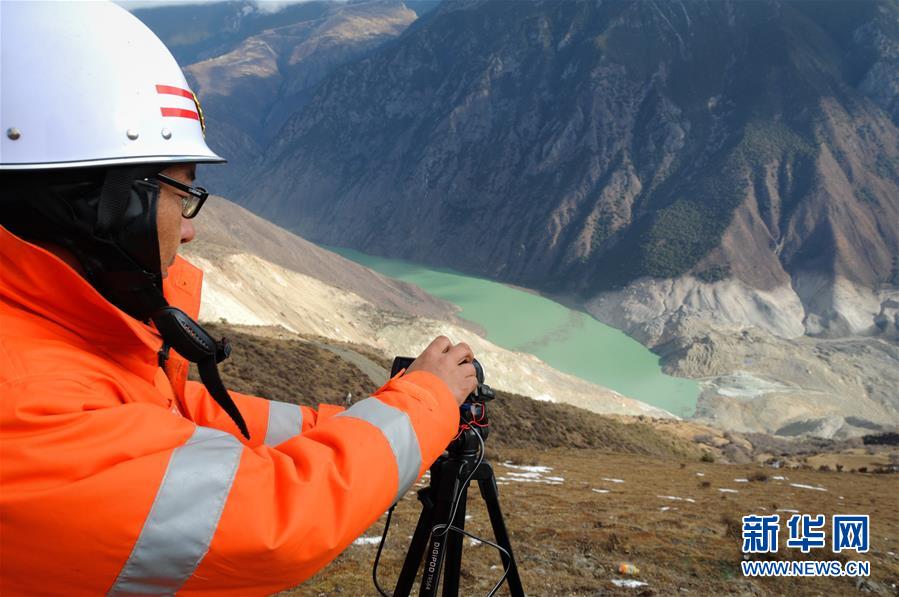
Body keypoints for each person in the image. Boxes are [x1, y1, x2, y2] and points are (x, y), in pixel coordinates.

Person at [0, 2, 476, 595]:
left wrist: (355, 420)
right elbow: (271, 520)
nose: (192, 226)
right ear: (108, 205)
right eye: (181, 191)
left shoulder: (49, 339)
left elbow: (173, 421)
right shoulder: (24, 406)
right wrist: (426, 401)